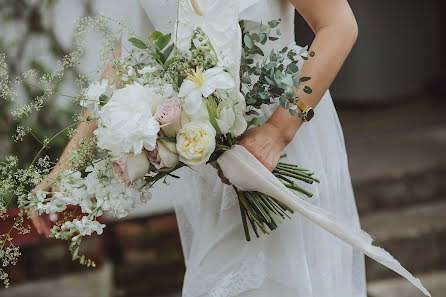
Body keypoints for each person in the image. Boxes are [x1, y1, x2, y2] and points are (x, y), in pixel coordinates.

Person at [33, 0, 365, 296]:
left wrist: (278, 132)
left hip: (280, 151)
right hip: (212, 166)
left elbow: (338, 25)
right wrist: (66, 167)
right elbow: (130, 60)